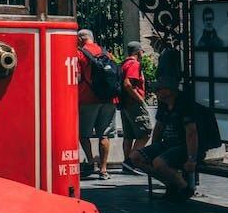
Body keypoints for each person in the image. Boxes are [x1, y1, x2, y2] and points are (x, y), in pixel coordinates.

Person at [128, 71, 199, 202]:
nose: (156, 92)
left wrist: (191, 158)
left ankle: (184, 188)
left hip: (182, 145)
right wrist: (154, 146)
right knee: (135, 157)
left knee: (159, 163)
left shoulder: (184, 105)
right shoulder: (163, 104)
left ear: (169, 90)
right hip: (167, 143)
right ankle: (170, 183)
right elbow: (159, 126)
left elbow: (191, 133)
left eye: (159, 89)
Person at [76, 30, 118, 179]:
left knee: (83, 134)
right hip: (109, 100)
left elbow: (77, 77)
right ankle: (104, 169)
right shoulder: (107, 53)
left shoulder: (79, 54)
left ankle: (91, 161)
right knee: (105, 134)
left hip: (88, 99)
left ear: (80, 39)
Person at [118, 41, 153, 174]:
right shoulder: (134, 64)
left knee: (129, 135)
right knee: (145, 132)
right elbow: (128, 84)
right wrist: (140, 99)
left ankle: (127, 163)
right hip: (134, 104)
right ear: (138, 52)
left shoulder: (124, 64)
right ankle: (130, 162)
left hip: (125, 105)